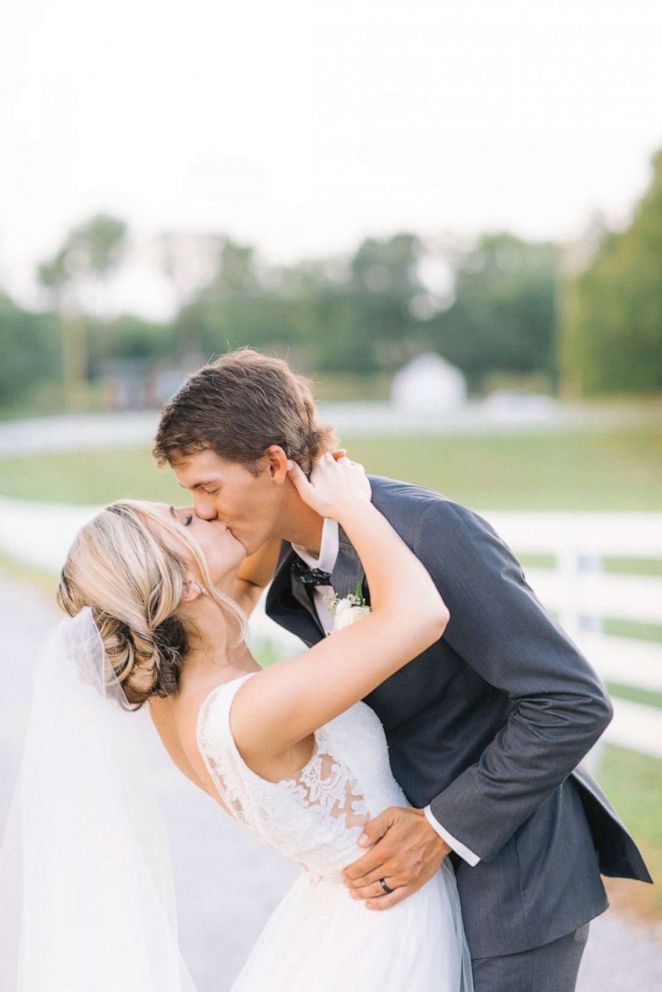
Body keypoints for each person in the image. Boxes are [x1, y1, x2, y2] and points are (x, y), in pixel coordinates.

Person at [153, 347, 653, 992]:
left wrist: (442, 829)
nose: (205, 510)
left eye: (208, 488)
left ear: (275, 463)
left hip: (509, 884)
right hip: (406, 894)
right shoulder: (286, 566)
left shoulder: (426, 530)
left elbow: (571, 701)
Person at [1, 453, 473, 991]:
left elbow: (253, 558)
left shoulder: (184, 678)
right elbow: (420, 615)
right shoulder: (248, 713)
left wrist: (284, 459)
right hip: (390, 929)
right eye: (183, 519)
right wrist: (352, 506)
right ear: (181, 585)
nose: (205, 511)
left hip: (336, 921)